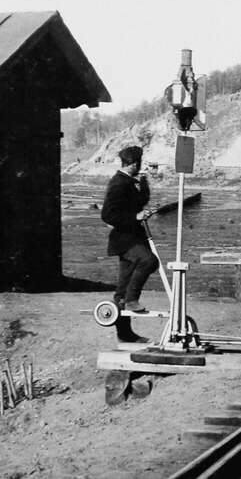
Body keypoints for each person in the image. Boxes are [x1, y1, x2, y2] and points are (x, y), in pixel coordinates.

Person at [101, 145, 158, 343]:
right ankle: (132, 300)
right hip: (124, 240)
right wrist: (135, 217)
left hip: (133, 237)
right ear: (133, 163)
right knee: (149, 261)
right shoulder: (118, 183)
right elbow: (107, 215)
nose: (141, 166)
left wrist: (144, 182)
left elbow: (141, 200)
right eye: (139, 163)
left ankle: (125, 335)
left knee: (122, 289)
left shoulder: (129, 181)